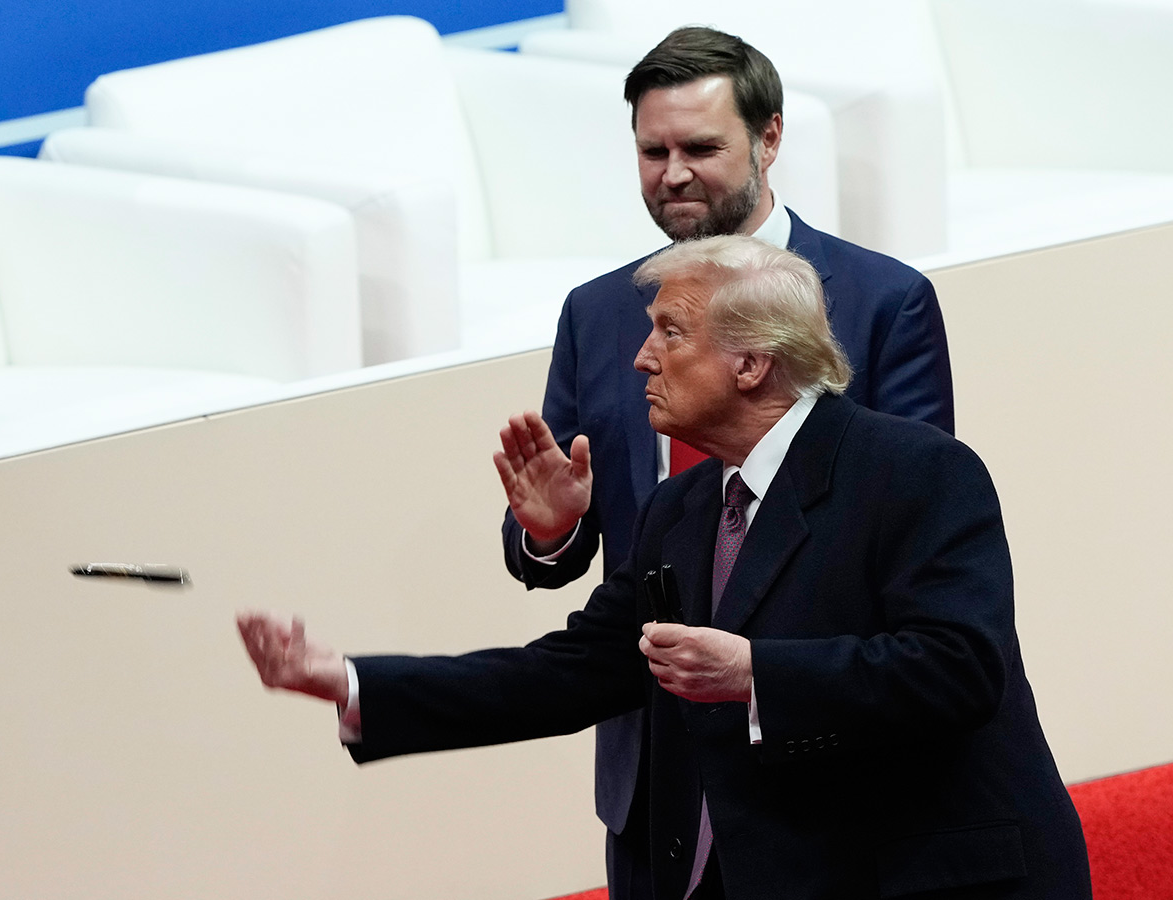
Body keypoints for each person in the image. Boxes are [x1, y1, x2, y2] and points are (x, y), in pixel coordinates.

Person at [239, 235, 1090, 900]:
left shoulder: (914, 471)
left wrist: (758, 674)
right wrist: (352, 683)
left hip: (925, 884)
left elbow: (958, 668)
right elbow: (573, 673)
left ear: (752, 361)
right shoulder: (680, 510)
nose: (642, 358)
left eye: (669, 333)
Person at [499, 26, 955, 897]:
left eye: (701, 148)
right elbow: (559, 536)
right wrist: (550, 534)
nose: (673, 173)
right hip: (653, 773)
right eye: (652, 150)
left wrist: (768, 676)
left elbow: (912, 538)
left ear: (770, 137)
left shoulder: (881, 301)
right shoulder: (598, 315)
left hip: (822, 768)